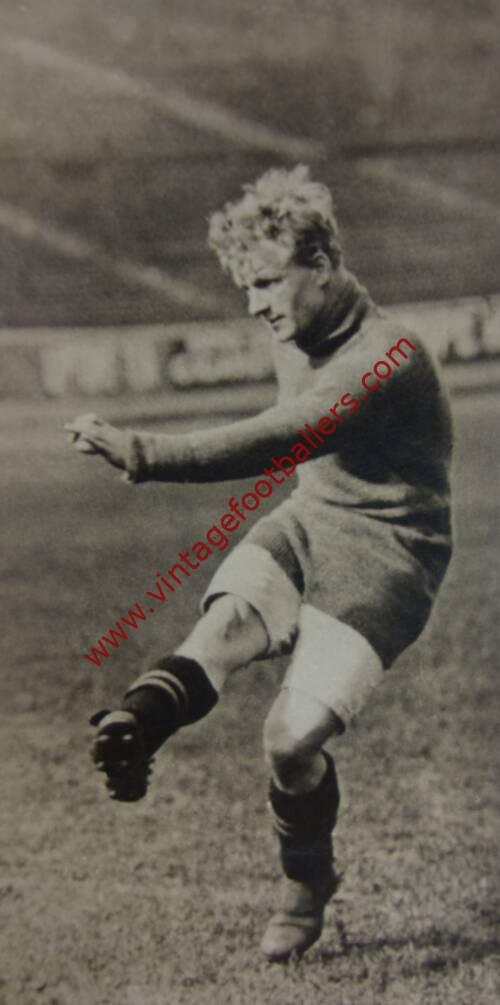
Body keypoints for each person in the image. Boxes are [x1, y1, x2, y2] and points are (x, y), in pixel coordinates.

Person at [66, 165, 453, 962]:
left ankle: (308, 880)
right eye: (245, 286)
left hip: (389, 550)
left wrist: (143, 450)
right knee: (223, 628)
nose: (255, 304)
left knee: (288, 740)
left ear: (324, 263)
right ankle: (134, 728)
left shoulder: (388, 357)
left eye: (268, 281)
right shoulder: (296, 326)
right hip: (311, 518)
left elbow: (283, 435)